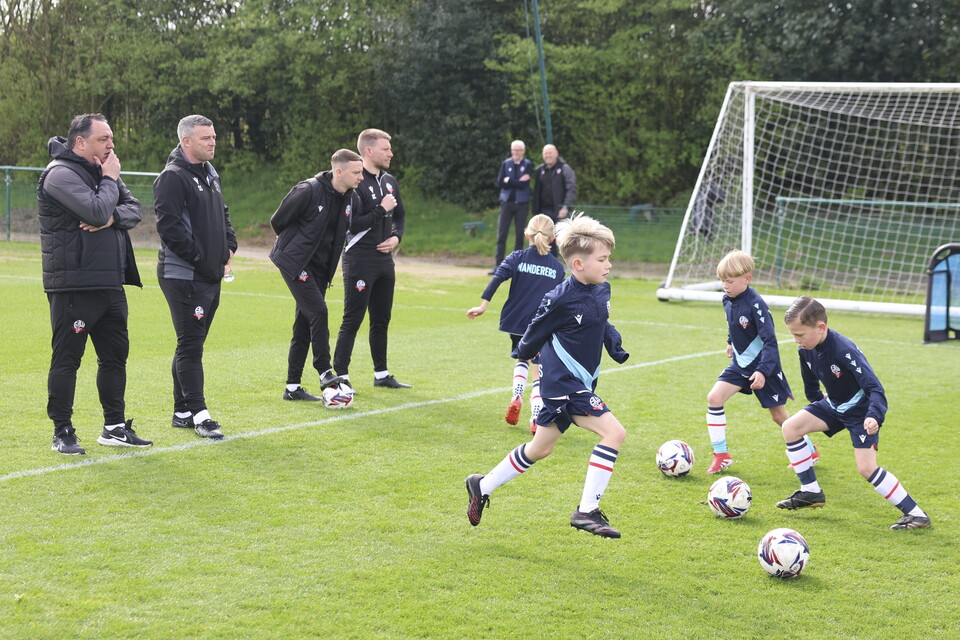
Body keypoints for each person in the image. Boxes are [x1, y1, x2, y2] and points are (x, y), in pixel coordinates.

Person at [466, 214, 629, 539]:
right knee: (614, 433)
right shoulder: (559, 298)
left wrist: (615, 345)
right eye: (602, 259)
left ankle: (481, 485)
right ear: (579, 264)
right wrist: (524, 351)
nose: (609, 264)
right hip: (562, 385)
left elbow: (601, 323)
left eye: (609, 257)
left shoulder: (602, 289)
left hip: (579, 383)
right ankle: (587, 511)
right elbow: (533, 333)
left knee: (540, 449)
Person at [38, 113, 153, 454]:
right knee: (67, 360)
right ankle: (62, 431)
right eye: (104, 139)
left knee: (115, 358)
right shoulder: (59, 175)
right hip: (74, 285)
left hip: (110, 284)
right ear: (80, 142)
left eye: (111, 139)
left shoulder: (104, 173)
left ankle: (115, 427)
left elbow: (133, 209)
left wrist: (113, 214)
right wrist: (108, 193)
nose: (111, 145)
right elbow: (96, 212)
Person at [777, 296, 931, 530]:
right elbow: (811, 385)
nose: (796, 340)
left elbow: (875, 388)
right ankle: (811, 492)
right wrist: (817, 404)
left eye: (800, 335)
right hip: (835, 405)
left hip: (862, 412)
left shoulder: (843, 350)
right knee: (791, 427)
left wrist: (874, 416)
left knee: (866, 468)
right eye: (793, 335)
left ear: (821, 327)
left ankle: (917, 514)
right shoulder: (805, 350)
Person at [154, 115, 238, 439]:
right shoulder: (172, 178)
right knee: (191, 345)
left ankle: (181, 410)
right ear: (186, 141)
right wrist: (202, 258)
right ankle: (201, 415)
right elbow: (170, 230)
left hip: (209, 274)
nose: (213, 142)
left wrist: (229, 244)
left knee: (192, 343)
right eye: (206, 138)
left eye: (214, 136)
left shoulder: (210, 173)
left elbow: (222, 213)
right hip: (184, 275)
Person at [704, 249, 816, 473]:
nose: (725, 286)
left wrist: (764, 371)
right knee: (714, 398)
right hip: (740, 364)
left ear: (747, 279)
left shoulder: (756, 304)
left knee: (778, 415)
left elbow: (770, 341)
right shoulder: (727, 299)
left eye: (730, 281)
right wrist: (730, 341)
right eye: (723, 281)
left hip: (764, 366)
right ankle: (721, 454)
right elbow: (733, 325)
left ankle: (809, 451)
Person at [270, 149, 364, 401]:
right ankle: (324, 371)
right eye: (357, 172)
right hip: (294, 263)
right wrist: (294, 247)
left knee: (304, 325)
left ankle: (292, 388)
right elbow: (277, 221)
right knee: (319, 312)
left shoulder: (350, 198)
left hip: (321, 271)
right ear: (339, 171)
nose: (361, 177)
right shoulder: (308, 190)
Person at [467, 214, 564, 433]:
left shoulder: (517, 257)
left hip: (517, 322)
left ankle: (516, 396)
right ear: (552, 239)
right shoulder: (557, 269)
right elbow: (560, 300)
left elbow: (497, 278)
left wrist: (483, 305)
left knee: (522, 359)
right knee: (539, 370)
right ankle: (536, 417)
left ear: (526, 234)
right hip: (541, 324)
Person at [332, 129, 411, 390]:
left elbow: (400, 216)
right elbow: (352, 224)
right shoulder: (356, 182)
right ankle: (340, 376)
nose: (391, 153)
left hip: (384, 261)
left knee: (381, 318)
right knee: (352, 318)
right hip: (359, 259)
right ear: (369, 151)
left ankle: (381, 374)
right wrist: (381, 209)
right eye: (385, 149)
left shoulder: (390, 181)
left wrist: (396, 238)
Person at [491, 140, 534, 273]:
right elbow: (500, 183)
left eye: (518, 150)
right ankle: (498, 265)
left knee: (520, 236)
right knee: (501, 234)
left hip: (521, 204)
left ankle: (517, 266)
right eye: (514, 150)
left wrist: (509, 181)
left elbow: (524, 185)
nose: (516, 152)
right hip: (507, 203)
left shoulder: (527, 164)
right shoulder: (506, 163)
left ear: (523, 151)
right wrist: (515, 181)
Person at [531, 144, 577, 224]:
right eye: (545, 153)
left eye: (550, 153)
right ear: (542, 155)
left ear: (556, 153)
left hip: (560, 212)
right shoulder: (539, 170)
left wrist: (565, 207)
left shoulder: (565, 168)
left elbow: (571, 189)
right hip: (543, 212)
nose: (548, 155)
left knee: (560, 236)